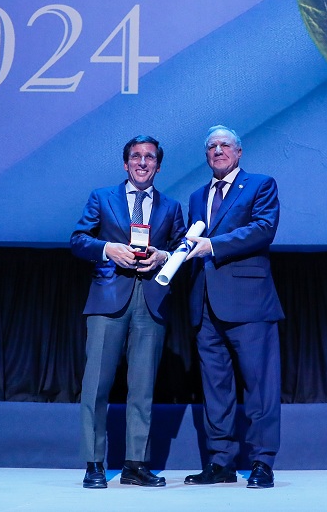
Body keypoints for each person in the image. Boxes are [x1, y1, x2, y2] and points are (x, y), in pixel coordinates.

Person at [70, 135, 186, 489]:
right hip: (108, 298)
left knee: (142, 388)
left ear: (158, 166)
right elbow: (78, 239)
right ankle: (94, 464)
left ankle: (136, 464)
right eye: (136, 156)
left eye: (149, 157)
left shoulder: (171, 207)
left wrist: (164, 256)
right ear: (126, 163)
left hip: (151, 300)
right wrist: (108, 248)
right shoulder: (102, 197)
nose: (142, 162)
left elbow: (182, 248)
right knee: (96, 385)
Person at [183, 125, 283, 489]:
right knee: (215, 389)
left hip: (250, 302)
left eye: (225, 145)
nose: (218, 150)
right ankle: (221, 462)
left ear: (239, 152)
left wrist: (213, 245)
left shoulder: (260, 185)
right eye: (212, 146)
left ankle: (262, 461)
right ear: (206, 155)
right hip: (205, 304)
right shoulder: (197, 196)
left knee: (260, 387)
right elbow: (190, 244)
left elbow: (263, 228)